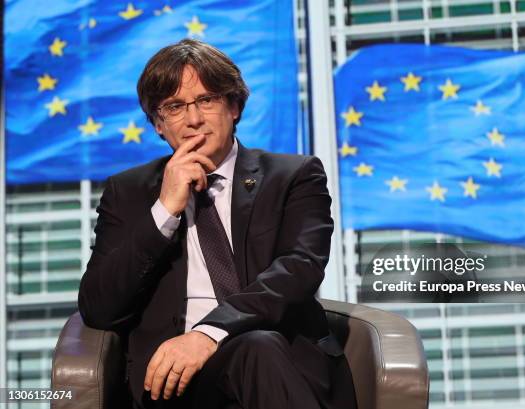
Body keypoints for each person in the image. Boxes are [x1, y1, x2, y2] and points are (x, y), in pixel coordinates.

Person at [77, 39, 357, 409]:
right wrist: (164, 210)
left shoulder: (293, 176)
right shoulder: (126, 193)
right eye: (175, 107)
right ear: (159, 125)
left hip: (278, 365)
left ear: (235, 106)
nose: (193, 119)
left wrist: (209, 333)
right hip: (174, 387)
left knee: (258, 346)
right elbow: (100, 306)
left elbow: (299, 268)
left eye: (206, 100)